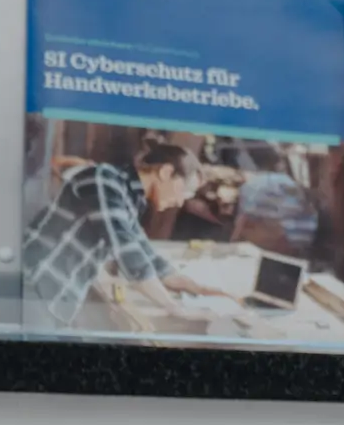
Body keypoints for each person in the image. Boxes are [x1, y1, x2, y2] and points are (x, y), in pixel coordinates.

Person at [18, 136, 231, 330]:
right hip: (33, 287)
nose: (181, 201)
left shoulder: (127, 200)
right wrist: (175, 308)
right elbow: (130, 256)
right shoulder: (104, 180)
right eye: (185, 190)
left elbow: (150, 258)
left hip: (53, 296)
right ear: (166, 172)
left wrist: (202, 290)